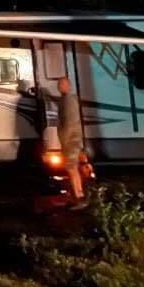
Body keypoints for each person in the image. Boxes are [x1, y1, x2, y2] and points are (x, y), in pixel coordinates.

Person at [55, 77, 88, 209]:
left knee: (71, 168)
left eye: (62, 84)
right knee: (73, 168)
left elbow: (70, 123)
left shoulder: (68, 100)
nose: (60, 87)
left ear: (68, 85)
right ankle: (78, 195)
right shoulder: (64, 100)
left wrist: (65, 141)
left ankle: (79, 197)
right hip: (71, 140)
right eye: (59, 84)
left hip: (71, 140)